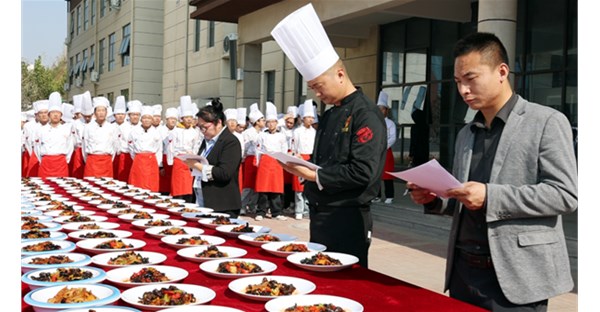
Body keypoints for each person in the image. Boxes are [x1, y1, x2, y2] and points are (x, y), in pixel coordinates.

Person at [406, 32, 577, 311]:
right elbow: (466, 198)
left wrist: (490, 197)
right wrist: (435, 199)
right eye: (459, 82)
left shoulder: (546, 122)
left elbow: (565, 194)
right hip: (463, 273)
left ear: (501, 72)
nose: (463, 90)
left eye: (471, 79)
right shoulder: (466, 133)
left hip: (516, 278)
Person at [271, 3, 387, 268]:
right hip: (321, 212)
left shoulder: (366, 114)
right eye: (312, 88)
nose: (316, 94)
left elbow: (363, 172)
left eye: (318, 86)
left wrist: (315, 175)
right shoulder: (332, 113)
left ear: (340, 74)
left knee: (348, 282)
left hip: (348, 216)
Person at [183, 98, 242, 217]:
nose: (202, 131)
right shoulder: (207, 140)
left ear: (218, 123)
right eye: (200, 127)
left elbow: (225, 173)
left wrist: (197, 165)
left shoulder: (230, 142)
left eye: (204, 127)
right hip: (203, 199)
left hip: (222, 204)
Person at [254, 102, 288, 221]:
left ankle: (276, 212)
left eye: (273, 122)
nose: (271, 124)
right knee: (263, 189)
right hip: (265, 161)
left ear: (277, 123)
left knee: (276, 189)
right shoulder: (262, 135)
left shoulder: (282, 136)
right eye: (268, 122)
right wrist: (258, 162)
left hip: (277, 162)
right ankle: (260, 212)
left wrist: (284, 162)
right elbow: (258, 149)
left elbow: (284, 150)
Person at [167, 96, 202, 202]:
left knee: (188, 188)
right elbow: (170, 148)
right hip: (178, 161)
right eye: (186, 117)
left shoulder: (194, 132)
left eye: (190, 117)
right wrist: (170, 161)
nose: (189, 119)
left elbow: (196, 146)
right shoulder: (175, 131)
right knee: (178, 189)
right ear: (181, 118)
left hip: (190, 161)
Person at [35, 92, 75, 178]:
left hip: (61, 164)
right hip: (45, 164)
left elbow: (70, 147)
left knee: (62, 189)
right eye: (53, 112)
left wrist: (64, 160)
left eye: (58, 112)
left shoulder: (66, 129)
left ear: (61, 115)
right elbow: (37, 148)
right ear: (49, 115)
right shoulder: (41, 130)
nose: (56, 115)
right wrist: (43, 160)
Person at [127, 105, 163, 192]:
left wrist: (157, 164)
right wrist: (137, 157)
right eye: (144, 118)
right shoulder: (134, 131)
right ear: (141, 119)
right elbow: (131, 147)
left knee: (151, 186)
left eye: (149, 118)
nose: (147, 120)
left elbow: (159, 149)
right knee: (137, 186)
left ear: (152, 119)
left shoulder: (156, 132)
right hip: (138, 161)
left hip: (152, 162)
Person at [291, 100, 316, 220]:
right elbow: (293, 147)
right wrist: (296, 156)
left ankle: (307, 209)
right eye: (308, 117)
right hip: (300, 158)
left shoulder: (314, 132)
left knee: (309, 185)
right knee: (299, 187)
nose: (311, 120)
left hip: (311, 159)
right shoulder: (297, 132)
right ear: (303, 118)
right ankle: (299, 210)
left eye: (312, 117)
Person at [81, 96, 118, 178]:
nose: (101, 113)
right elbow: (84, 146)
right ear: (94, 113)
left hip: (107, 162)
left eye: (103, 110)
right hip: (92, 162)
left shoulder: (112, 127)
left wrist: (108, 159)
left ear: (106, 112)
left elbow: (115, 146)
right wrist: (89, 159)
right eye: (98, 110)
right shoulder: (88, 127)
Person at [240, 103, 265, 215]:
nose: (264, 122)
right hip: (250, 159)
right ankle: (242, 205)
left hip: (260, 159)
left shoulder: (263, 133)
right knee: (248, 185)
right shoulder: (247, 133)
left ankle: (252, 205)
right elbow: (244, 148)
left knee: (257, 185)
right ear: (257, 122)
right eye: (262, 120)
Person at [373, 90, 397, 204]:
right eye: (379, 108)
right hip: (376, 151)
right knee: (376, 174)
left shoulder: (391, 123)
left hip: (386, 151)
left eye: (382, 108)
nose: (380, 111)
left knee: (387, 174)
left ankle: (389, 195)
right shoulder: (374, 122)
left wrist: (383, 146)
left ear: (386, 110)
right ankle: (377, 195)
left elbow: (392, 138)